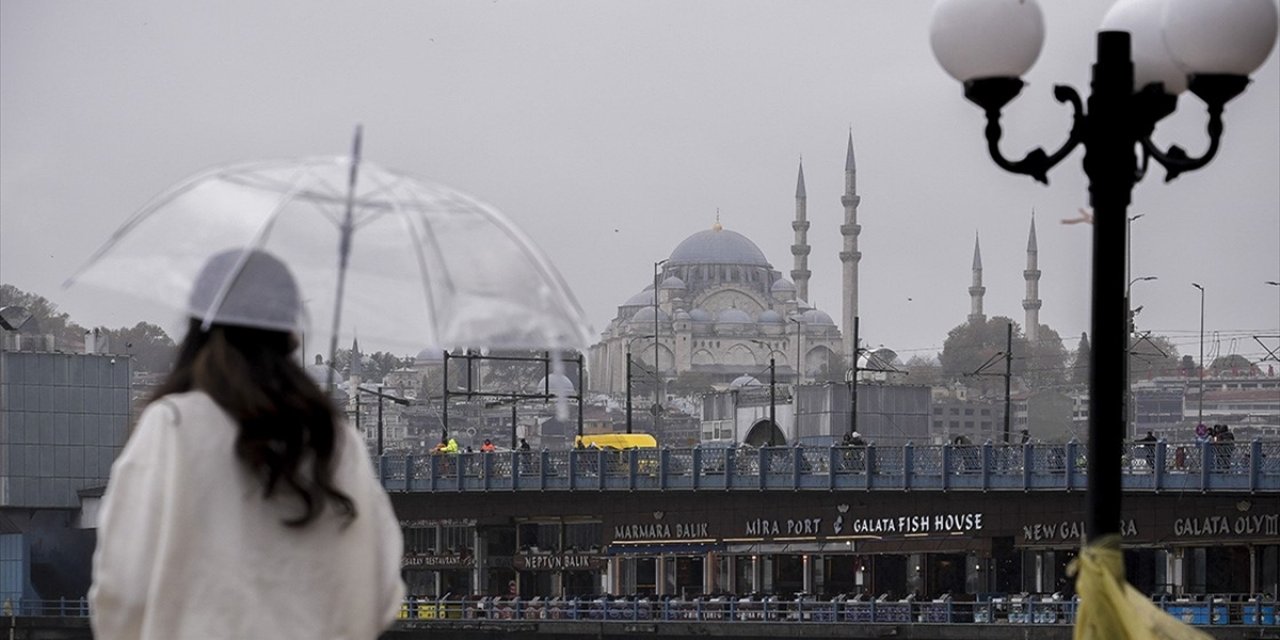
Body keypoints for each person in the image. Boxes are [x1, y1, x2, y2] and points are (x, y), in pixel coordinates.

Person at [89, 249, 404, 640]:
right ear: (289, 332)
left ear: (200, 328)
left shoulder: (172, 427)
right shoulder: (337, 441)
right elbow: (382, 590)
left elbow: (122, 585)